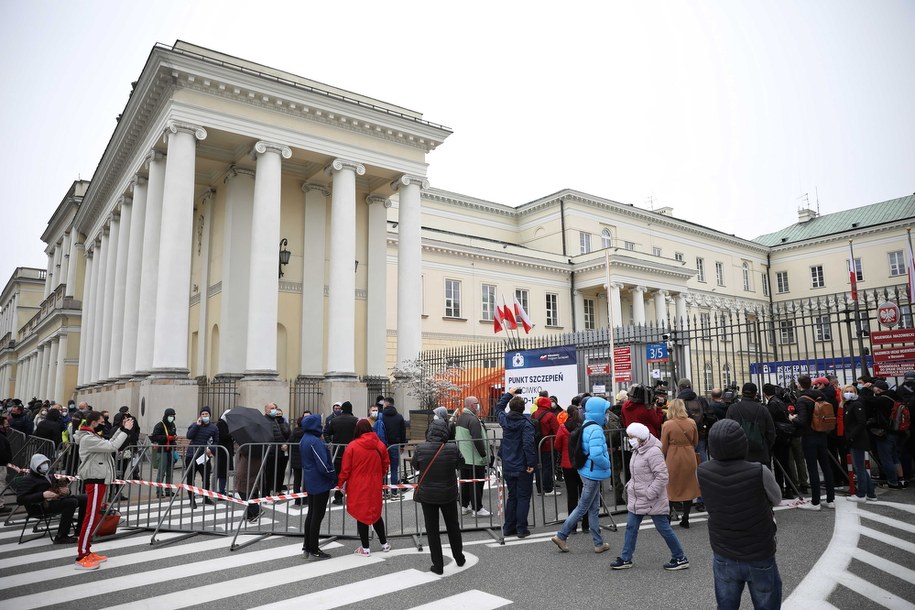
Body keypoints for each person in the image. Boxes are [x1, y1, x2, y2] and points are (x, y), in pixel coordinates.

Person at [698, 419, 783, 610]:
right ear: (742, 444)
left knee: (726, 604)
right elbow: (777, 498)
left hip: (723, 548)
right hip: (759, 550)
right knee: (766, 602)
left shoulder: (702, 471)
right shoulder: (759, 471)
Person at [610, 422, 689, 571]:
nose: (629, 439)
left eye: (631, 437)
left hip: (651, 497)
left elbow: (662, 476)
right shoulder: (638, 449)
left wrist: (650, 493)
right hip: (638, 497)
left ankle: (680, 557)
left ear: (639, 437)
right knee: (631, 527)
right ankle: (626, 558)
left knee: (663, 528)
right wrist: (631, 485)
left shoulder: (653, 452)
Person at [551, 396, 612, 554]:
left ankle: (598, 543)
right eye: (605, 411)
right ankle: (561, 535)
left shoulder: (586, 424)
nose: (607, 414)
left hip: (587, 470)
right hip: (593, 472)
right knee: (583, 507)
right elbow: (597, 455)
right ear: (598, 412)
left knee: (592, 508)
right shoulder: (596, 429)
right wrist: (607, 464)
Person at [73, 410, 134, 570]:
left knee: (94, 517)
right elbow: (112, 446)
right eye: (101, 422)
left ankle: (87, 551)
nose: (104, 424)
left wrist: (121, 428)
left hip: (99, 479)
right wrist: (126, 430)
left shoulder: (92, 436)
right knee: (90, 518)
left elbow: (110, 441)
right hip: (94, 480)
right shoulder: (87, 438)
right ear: (93, 422)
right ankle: (81, 556)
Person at [412, 417, 466, 574]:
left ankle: (438, 565)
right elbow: (461, 464)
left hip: (427, 494)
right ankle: (459, 557)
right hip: (448, 493)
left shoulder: (421, 448)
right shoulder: (452, 448)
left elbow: (415, 465)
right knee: (453, 526)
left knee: (432, 529)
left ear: (429, 432)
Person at [339, 419, 391, 556]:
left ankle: (365, 548)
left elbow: (346, 468)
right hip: (375, 483)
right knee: (375, 513)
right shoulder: (380, 445)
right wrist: (379, 474)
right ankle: (384, 543)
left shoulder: (352, 446)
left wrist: (341, 482)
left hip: (358, 484)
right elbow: (386, 464)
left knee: (361, 514)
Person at [15, 453, 88, 544]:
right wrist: (42, 495)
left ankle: (80, 529)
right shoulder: (28, 480)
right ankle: (61, 536)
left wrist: (67, 491)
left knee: (85, 498)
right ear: (35, 465)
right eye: (42, 463)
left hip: (55, 500)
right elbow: (20, 499)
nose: (45, 465)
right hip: (40, 506)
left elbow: (58, 487)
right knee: (71, 502)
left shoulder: (49, 476)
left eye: (46, 463)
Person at [497, 389, 537, 538]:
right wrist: (531, 463)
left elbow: (499, 408)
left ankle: (509, 527)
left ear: (511, 407)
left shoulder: (505, 420)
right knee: (523, 497)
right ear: (523, 408)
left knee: (512, 496)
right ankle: (521, 528)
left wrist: (509, 394)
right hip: (522, 465)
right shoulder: (526, 424)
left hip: (508, 464)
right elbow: (528, 445)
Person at [792, 374, 836, 510]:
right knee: (826, 467)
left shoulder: (802, 400)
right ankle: (830, 499)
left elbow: (802, 421)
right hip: (822, 434)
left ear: (799, 385)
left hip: (809, 436)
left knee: (812, 469)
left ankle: (815, 502)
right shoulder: (820, 395)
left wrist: (792, 418)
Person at [299, 413, 337, 559]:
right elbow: (323, 465)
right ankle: (314, 548)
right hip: (319, 481)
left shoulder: (304, 438)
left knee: (311, 514)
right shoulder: (315, 441)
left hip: (310, 479)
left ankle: (307, 546)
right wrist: (333, 475)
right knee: (317, 516)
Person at [661, 398, 701, 528]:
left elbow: (664, 445)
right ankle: (686, 518)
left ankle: (668, 518)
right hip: (689, 455)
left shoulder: (667, 424)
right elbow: (695, 442)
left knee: (671, 487)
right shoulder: (691, 422)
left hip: (673, 456)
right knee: (688, 486)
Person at [554, 405, 588, 534]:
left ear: (567, 414)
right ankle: (586, 525)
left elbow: (557, 444)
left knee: (572, 495)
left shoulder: (563, 427)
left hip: (568, 463)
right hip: (582, 463)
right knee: (584, 494)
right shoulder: (583, 426)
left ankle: (572, 527)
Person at [454, 395, 490, 517]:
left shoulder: (461, 418)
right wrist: (484, 455)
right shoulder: (473, 420)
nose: (478, 405)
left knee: (465, 483)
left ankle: (464, 506)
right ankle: (477, 508)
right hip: (475, 458)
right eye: (476, 403)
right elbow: (477, 440)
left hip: (463, 457)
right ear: (471, 405)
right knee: (477, 484)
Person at [725, 383, 776, 467]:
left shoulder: (733, 408)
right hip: (760, 454)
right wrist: (766, 446)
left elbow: (727, 430)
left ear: (742, 393)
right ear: (755, 394)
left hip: (739, 454)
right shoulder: (763, 409)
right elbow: (771, 432)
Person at [842, 385, 876, 502]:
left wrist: (851, 437)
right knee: (860, 467)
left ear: (855, 392)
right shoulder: (849, 404)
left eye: (851, 391)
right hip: (855, 439)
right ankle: (870, 493)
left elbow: (861, 423)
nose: (848, 393)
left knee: (859, 468)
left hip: (857, 440)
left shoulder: (856, 404)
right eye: (846, 391)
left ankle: (861, 494)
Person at [762, 384, 795, 499]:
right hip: (786, 434)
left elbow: (770, 421)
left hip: (779, 435)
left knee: (778, 464)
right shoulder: (780, 401)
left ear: (765, 393)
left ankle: (780, 487)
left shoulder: (772, 404)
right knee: (785, 463)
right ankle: (790, 488)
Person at [325, 400, 358, 504]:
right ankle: (352, 495)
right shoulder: (356, 420)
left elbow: (326, 432)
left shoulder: (335, 420)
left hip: (338, 452)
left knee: (339, 474)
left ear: (342, 409)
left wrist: (329, 442)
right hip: (352, 451)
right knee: (353, 474)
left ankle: (338, 497)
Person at [185, 407, 219, 509]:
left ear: (209, 415)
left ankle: (206, 498)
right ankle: (192, 500)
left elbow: (216, 441)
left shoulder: (214, 428)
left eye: (206, 414)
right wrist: (197, 425)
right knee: (190, 478)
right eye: (203, 414)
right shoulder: (194, 425)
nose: (204, 416)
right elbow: (189, 436)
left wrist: (211, 449)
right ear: (200, 416)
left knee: (206, 478)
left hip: (204, 456)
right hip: (191, 455)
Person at [532, 396, 560, 496]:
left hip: (537, 444)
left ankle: (540, 489)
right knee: (548, 467)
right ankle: (548, 489)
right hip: (549, 445)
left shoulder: (534, 414)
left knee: (539, 467)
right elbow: (557, 431)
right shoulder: (550, 415)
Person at [380, 396, 407, 498]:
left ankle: (384, 491)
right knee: (394, 469)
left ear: (386, 404)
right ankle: (394, 491)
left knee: (384, 469)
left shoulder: (381, 416)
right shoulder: (399, 417)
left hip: (383, 445)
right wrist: (402, 445)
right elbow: (403, 432)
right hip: (395, 445)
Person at [149, 408, 178, 497]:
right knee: (161, 472)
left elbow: (173, 435)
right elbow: (154, 437)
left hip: (170, 451)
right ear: (166, 416)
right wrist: (166, 438)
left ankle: (169, 491)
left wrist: (174, 438)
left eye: (173, 416)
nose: (172, 417)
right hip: (162, 451)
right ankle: (159, 492)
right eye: (170, 416)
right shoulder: (159, 425)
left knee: (170, 472)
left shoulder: (173, 425)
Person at [215, 409, 234, 496]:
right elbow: (222, 436)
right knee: (221, 472)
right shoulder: (220, 424)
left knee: (226, 472)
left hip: (227, 451)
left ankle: (223, 490)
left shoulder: (228, 424)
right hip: (222, 452)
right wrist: (232, 434)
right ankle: (220, 490)